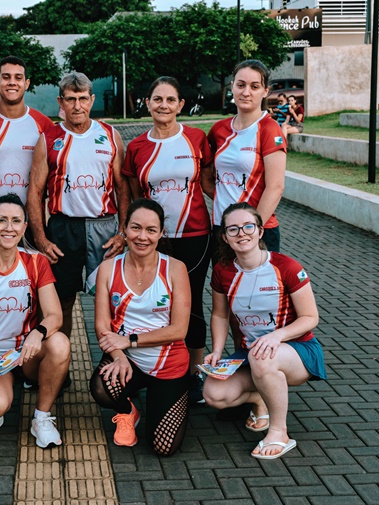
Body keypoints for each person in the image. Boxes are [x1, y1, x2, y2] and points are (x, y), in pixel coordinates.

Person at [203, 203, 326, 460]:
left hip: (298, 351)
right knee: (214, 394)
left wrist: (277, 336)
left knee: (262, 357)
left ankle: (279, 432)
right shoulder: (223, 270)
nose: (241, 233)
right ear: (225, 236)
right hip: (253, 353)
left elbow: (310, 317)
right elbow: (220, 314)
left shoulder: (286, 267)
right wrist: (216, 351)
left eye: (248, 226)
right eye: (233, 229)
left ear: (260, 231)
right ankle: (261, 399)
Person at [0, 193, 71, 448]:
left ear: (24, 227)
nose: (9, 227)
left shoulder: (36, 262)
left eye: (16, 221)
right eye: (2, 220)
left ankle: (41, 418)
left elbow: (55, 315)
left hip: (25, 353)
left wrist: (38, 333)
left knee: (60, 343)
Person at [123, 76, 214, 405]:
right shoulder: (136, 147)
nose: (164, 105)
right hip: (154, 240)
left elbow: (209, 183)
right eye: (157, 99)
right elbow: (136, 198)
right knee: (152, 304)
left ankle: (195, 373)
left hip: (195, 235)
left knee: (191, 306)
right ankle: (152, 368)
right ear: (147, 103)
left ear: (180, 105)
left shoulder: (196, 138)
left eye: (170, 100)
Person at [27, 72, 129, 339]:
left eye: (83, 99)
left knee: (111, 300)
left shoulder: (110, 135)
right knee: (61, 302)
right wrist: (41, 239)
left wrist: (123, 233)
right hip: (63, 228)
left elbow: (122, 188)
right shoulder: (48, 138)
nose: (77, 106)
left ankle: (113, 358)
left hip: (103, 228)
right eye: (70, 99)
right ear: (60, 101)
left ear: (92, 100)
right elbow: (35, 192)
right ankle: (60, 360)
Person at [89, 199, 191, 455]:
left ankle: (170, 397)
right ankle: (128, 412)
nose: (142, 237)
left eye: (151, 230)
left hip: (168, 364)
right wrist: (118, 355)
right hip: (128, 360)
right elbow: (102, 325)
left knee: (164, 448)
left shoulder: (175, 268)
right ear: (124, 228)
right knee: (101, 387)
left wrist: (129, 340)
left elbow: (179, 330)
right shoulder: (108, 268)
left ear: (161, 233)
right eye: (135, 228)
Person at [208, 59, 286, 254]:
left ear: (265, 91)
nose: (246, 92)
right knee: (222, 275)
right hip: (223, 227)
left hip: (257, 230)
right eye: (241, 85)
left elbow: (275, 187)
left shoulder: (269, 129)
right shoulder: (219, 129)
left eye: (254, 86)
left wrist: (251, 229)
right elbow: (207, 175)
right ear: (232, 86)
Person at [0, 56, 54, 247]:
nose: (12, 82)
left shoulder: (44, 125)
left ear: (26, 83)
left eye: (18, 77)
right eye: (6, 77)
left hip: (32, 224)